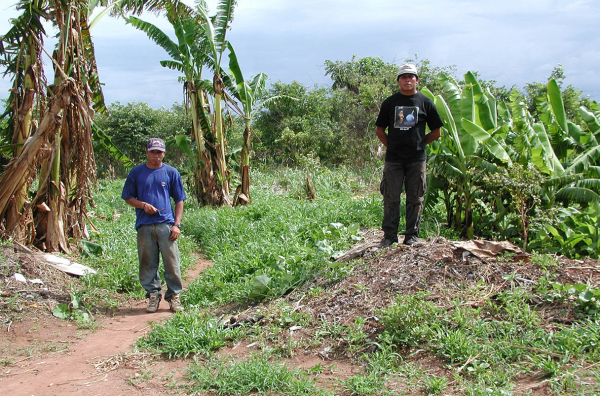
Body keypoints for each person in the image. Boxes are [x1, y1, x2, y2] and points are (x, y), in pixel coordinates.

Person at [375, 64, 443, 247]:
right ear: (398, 81)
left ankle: (412, 236)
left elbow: (437, 131)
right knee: (391, 197)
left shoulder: (425, 102)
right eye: (403, 77)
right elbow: (380, 130)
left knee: (415, 198)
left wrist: (420, 144)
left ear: (417, 80)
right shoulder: (389, 103)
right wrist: (393, 146)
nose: (407, 80)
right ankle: (389, 236)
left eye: (411, 77)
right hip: (394, 160)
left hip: (417, 159)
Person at [121, 138, 187, 313]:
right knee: (147, 262)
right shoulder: (136, 173)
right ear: (147, 153)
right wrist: (143, 205)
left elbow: (179, 199)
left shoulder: (171, 172)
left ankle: (174, 297)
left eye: (159, 152)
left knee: (172, 262)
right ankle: (153, 295)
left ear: (164, 153)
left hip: (166, 225)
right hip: (144, 225)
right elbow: (128, 197)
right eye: (153, 152)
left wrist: (176, 225)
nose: (156, 155)